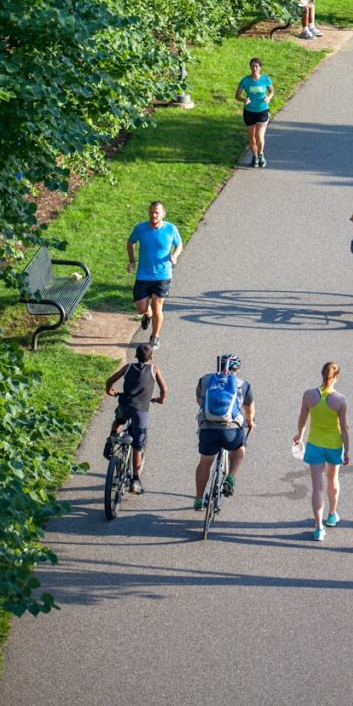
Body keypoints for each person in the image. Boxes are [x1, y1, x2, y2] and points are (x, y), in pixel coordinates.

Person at [293, 361, 350, 541]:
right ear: (337, 377)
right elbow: (345, 427)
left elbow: (302, 419)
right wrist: (347, 450)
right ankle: (332, 514)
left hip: (315, 444)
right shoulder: (340, 399)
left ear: (321, 374)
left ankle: (319, 528)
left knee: (317, 487)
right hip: (334, 445)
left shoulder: (309, 395)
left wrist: (299, 436)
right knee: (333, 479)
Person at [103, 343, 168, 495]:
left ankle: (112, 438)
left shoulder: (128, 367)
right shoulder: (154, 369)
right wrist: (160, 399)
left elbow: (110, 380)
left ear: (136, 355)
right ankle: (135, 481)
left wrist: (110, 391)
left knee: (119, 420)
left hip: (125, 405)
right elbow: (164, 390)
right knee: (138, 447)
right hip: (140, 411)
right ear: (151, 357)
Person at [194, 354, 255, 509]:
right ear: (238, 369)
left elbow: (200, 401)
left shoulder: (205, 380)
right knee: (240, 449)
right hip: (231, 431)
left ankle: (199, 499)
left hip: (208, 429)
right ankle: (231, 477)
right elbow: (249, 410)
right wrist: (250, 422)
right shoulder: (243, 385)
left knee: (205, 463)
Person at [127, 201, 182, 351]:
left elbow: (179, 244)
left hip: (163, 275)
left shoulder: (171, 229)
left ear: (163, 214)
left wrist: (175, 256)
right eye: (151, 212)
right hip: (143, 275)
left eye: (157, 212)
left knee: (157, 306)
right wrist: (132, 261)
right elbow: (130, 242)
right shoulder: (140, 228)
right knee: (140, 308)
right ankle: (147, 314)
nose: (153, 215)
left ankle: (154, 336)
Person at [235, 57, 274, 168]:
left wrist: (269, 97)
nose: (254, 68)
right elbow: (237, 95)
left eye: (256, 66)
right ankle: (255, 156)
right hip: (249, 112)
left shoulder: (266, 79)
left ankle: (261, 154)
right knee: (251, 137)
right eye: (252, 66)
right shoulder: (245, 81)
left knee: (259, 136)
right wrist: (244, 100)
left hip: (262, 110)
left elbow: (271, 91)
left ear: (260, 68)